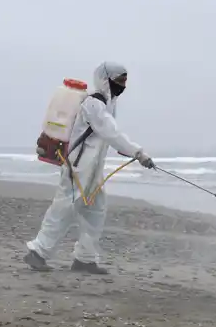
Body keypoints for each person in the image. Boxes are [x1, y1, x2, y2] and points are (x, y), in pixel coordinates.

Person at [24, 61, 155, 275]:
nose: (122, 85)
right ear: (106, 79)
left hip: (93, 170)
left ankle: (84, 259)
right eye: (119, 80)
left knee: (95, 212)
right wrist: (138, 153)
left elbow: (108, 136)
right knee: (64, 210)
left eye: (124, 81)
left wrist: (132, 152)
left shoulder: (109, 104)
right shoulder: (93, 103)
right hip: (77, 168)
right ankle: (38, 252)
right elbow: (111, 132)